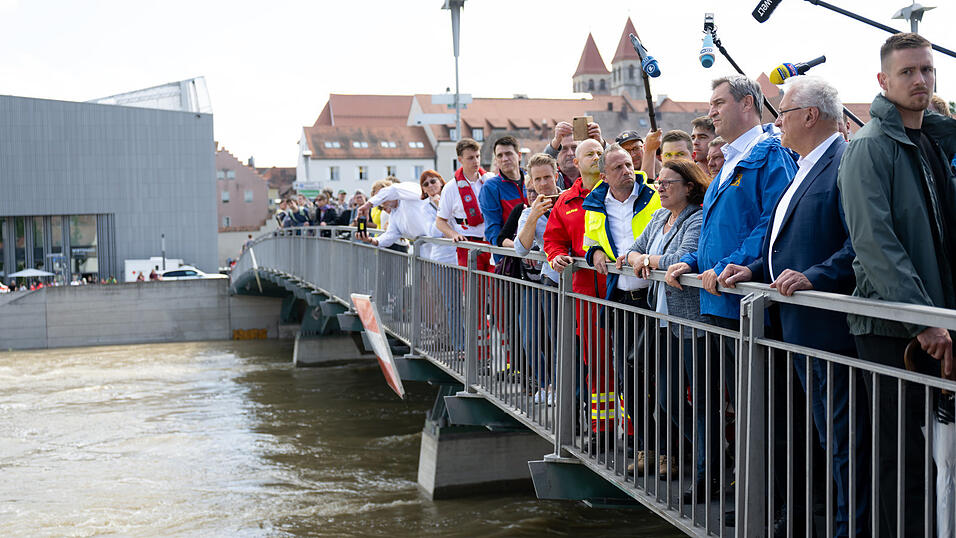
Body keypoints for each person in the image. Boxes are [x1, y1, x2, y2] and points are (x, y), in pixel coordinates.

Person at [719, 76, 863, 536]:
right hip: (796, 324)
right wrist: (755, 269)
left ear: (809, 116)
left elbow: (856, 242)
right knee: (821, 434)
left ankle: (848, 525)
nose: (776, 122)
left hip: (827, 326)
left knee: (844, 438)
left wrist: (815, 276)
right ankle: (828, 517)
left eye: (782, 112)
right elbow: (782, 240)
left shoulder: (843, 163)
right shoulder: (803, 164)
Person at [836, 32, 956, 538]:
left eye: (927, 70)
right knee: (899, 457)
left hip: (934, 324)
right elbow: (874, 244)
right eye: (908, 72)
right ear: (883, 81)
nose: (921, 80)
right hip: (893, 329)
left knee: (931, 455)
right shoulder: (868, 146)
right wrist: (922, 319)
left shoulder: (926, 140)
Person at [620, 158, 710, 496]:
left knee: (697, 399)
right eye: (659, 182)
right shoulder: (659, 216)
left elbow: (683, 258)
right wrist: (640, 259)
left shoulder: (696, 217)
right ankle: (709, 454)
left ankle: (708, 466)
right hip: (661, 319)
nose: (660, 187)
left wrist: (645, 262)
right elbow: (631, 250)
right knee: (667, 398)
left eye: (667, 183)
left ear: (688, 187)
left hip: (689, 321)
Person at [582, 142, 661, 469]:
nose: (627, 171)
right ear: (604, 176)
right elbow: (590, 243)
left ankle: (668, 449)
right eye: (618, 168)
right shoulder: (595, 205)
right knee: (627, 378)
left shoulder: (652, 195)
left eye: (629, 164)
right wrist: (596, 254)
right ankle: (647, 446)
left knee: (657, 376)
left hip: (654, 298)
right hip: (621, 299)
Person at [543, 138, 610, 445]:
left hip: (621, 287)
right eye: (589, 154)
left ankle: (637, 430)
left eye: (599, 153)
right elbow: (553, 239)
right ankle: (602, 429)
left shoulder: (619, 190)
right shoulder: (567, 200)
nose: (595, 158)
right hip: (584, 289)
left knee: (629, 362)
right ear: (577, 163)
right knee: (595, 362)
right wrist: (555, 256)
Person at [515, 153, 563, 405]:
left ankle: (572, 391)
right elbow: (520, 249)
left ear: (556, 176)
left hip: (579, 282)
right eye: (537, 179)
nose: (543, 183)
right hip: (551, 280)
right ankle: (554, 386)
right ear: (531, 183)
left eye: (547, 177)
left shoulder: (570, 199)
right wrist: (534, 216)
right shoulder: (528, 212)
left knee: (574, 342)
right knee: (553, 338)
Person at [435, 138, 494, 271]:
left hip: (491, 241)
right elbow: (440, 221)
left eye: (477, 156)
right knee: (473, 288)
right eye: (470, 158)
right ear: (460, 160)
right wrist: (453, 234)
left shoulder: (490, 179)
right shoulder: (451, 187)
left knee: (497, 287)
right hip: (468, 244)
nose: (476, 161)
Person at [479, 135, 528, 252]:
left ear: (519, 156)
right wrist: (519, 248)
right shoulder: (490, 187)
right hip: (508, 256)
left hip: (536, 255)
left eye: (509, 154)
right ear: (496, 160)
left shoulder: (532, 180)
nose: (504, 159)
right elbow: (493, 230)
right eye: (500, 155)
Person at [544, 120, 604, 189]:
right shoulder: (551, 176)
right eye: (564, 149)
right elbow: (540, 164)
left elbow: (613, 161)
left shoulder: (594, 172)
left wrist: (600, 142)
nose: (570, 153)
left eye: (574, 147)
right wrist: (555, 142)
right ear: (556, 151)